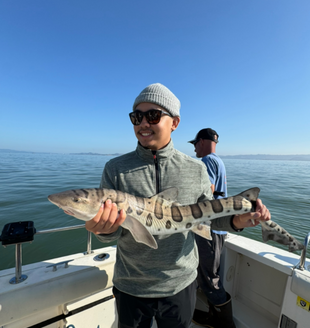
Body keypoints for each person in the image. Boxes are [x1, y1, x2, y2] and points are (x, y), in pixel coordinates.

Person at [85, 83, 271, 328]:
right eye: (136, 116)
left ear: (174, 122)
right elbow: (114, 233)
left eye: (153, 115)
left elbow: (210, 218)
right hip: (131, 284)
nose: (143, 123)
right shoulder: (115, 169)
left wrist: (237, 221)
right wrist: (103, 229)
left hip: (180, 284)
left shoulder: (196, 169)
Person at [189, 128, 233, 327]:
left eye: (195, 144)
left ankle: (224, 324)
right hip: (216, 229)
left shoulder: (206, 162)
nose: (195, 148)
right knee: (209, 275)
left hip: (210, 230)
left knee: (210, 279)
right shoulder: (218, 161)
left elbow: (208, 189)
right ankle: (212, 317)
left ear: (202, 142)